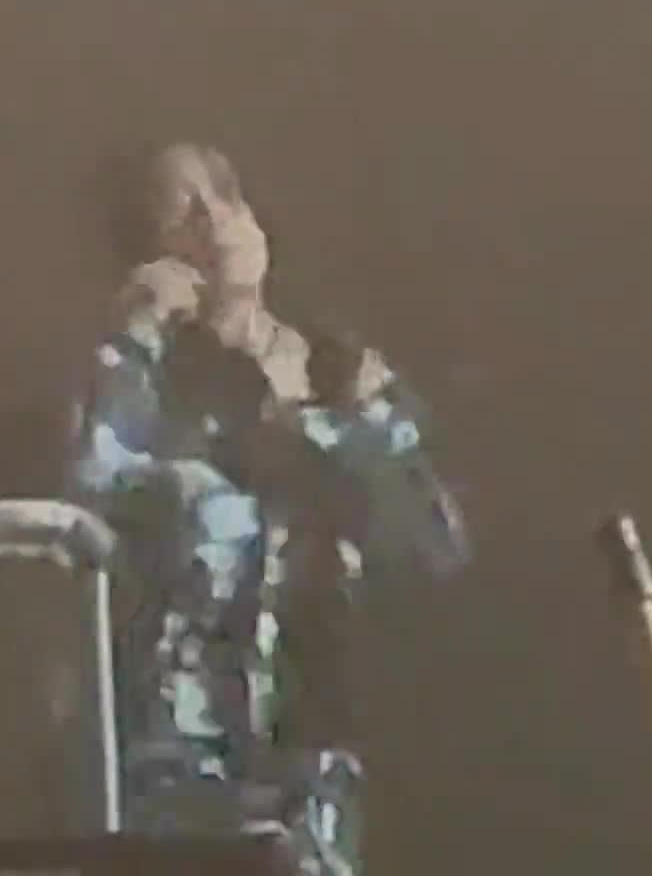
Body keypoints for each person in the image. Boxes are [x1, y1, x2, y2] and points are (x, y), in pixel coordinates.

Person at [66, 143, 470, 875]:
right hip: (178, 772)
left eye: (227, 195)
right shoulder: (144, 385)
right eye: (182, 209)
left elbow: (432, 549)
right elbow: (87, 493)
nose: (215, 219)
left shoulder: (339, 373)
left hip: (312, 773)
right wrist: (134, 336)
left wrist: (366, 428)